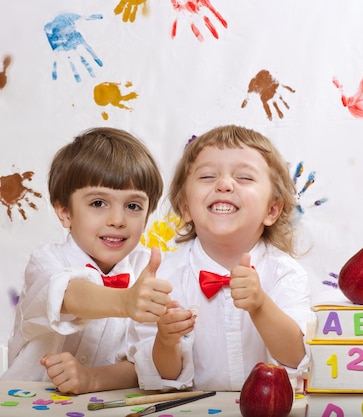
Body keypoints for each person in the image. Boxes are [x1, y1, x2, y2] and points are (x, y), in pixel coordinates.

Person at [127, 125, 315, 391]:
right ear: (185, 207)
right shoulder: (165, 278)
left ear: (272, 210)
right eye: (207, 176)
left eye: (245, 178)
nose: (224, 184)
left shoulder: (286, 273)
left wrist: (260, 305)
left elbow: (298, 358)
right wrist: (166, 342)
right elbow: (162, 380)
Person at [1, 127, 172, 394]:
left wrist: (91, 379)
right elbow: (69, 293)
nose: (117, 219)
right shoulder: (46, 261)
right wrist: (125, 301)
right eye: (98, 203)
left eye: (133, 206)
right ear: (65, 212)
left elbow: (144, 364)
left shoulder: (147, 270)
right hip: (23, 406)